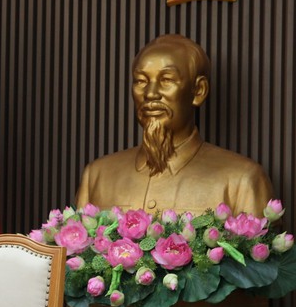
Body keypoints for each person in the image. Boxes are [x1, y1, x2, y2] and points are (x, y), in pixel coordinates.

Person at [75, 34, 273, 216]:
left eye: (166, 80)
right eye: (141, 81)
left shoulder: (243, 180)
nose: (150, 93)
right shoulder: (97, 175)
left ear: (198, 91)